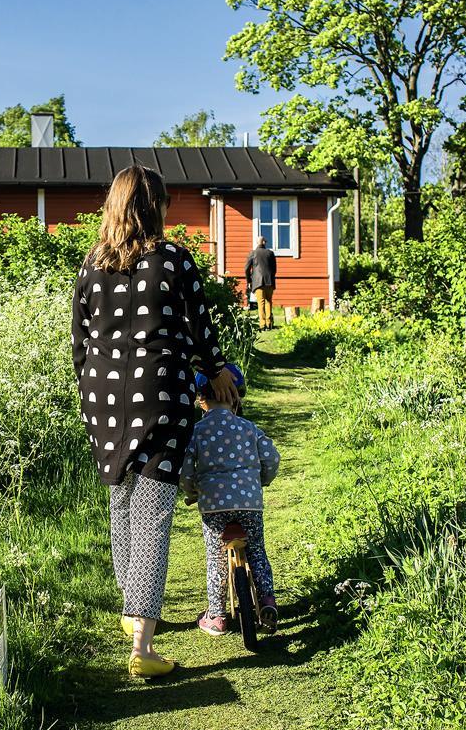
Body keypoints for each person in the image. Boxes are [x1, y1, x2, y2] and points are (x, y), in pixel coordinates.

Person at [72, 164, 240, 678]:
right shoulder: (173, 260)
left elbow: (79, 340)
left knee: (121, 501)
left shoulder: (92, 263)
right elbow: (199, 327)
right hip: (158, 393)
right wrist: (216, 372)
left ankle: (132, 610)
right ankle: (142, 647)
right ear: (155, 207)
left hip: (101, 396)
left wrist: (90, 386)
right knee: (152, 516)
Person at [180, 363, 280, 635]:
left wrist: (191, 493)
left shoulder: (198, 432)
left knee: (215, 558)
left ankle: (216, 616)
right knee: (257, 549)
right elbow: (271, 458)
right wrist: (262, 480)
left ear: (201, 400)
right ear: (237, 397)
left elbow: (186, 470)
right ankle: (268, 601)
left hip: (213, 507)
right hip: (249, 503)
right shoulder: (248, 428)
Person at [245, 236, 277, 330]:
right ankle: (269, 324)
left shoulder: (253, 253)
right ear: (263, 242)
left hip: (258, 282)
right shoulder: (270, 253)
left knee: (261, 302)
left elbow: (246, 269)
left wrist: (249, 281)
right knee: (268, 302)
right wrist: (271, 276)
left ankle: (262, 325)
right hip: (269, 281)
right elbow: (274, 269)